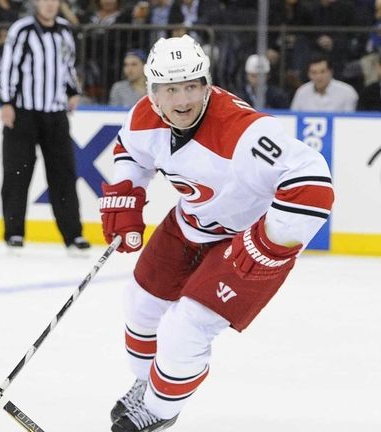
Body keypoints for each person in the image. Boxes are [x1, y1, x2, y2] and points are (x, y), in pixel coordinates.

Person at [99, 35, 334, 432]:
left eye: (192, 86)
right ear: (153, 92)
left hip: (247, 243)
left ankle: (159, 409)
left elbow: (314, 185)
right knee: (139, 303)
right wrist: (127, 190)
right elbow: (131, 152)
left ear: (207, 84)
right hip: (190, 223)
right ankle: (147, 384)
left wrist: (269, 242)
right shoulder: (144, 114)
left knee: (185, 326)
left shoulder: (244, 133)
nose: (184, 100)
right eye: (171, 89)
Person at [0, 0, 90, 254]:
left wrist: (73, 91)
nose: (49, 5)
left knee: (64, 175)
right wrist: (6, 101)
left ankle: (73, 236)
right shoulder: (22, 29)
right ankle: (14, 233)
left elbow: (68, 65)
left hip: (56, 114)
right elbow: (7, 66)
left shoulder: (64, 30)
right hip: (23, 113)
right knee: (17, 173)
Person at [290, 54, 358, 112]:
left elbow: (351, 121)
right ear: (308, 74)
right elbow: (293, 118)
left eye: (323, 72)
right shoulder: (302, 92)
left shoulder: (347, 92)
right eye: (314, 73)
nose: (319, 77)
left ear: (331, 72)